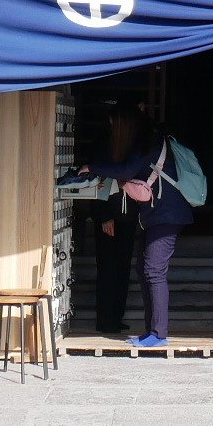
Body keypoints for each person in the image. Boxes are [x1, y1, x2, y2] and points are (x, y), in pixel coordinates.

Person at [80, 110, 194, 349]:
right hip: (159, 216)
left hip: (166, 216)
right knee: (145, 269)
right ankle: (151, 330)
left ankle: (159, 333)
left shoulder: (150, 147)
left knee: (153, 270)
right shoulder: (156, 144)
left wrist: (92, 166)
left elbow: (125, 171)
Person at [84, 105, 141, 336]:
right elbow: (97, 182)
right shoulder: (110, 146)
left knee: (120, 267)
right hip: (114, 214)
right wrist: (103, 215)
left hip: (124, 214)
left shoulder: (122, 147)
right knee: (109, 268)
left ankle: (115, 317)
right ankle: (106, 319)